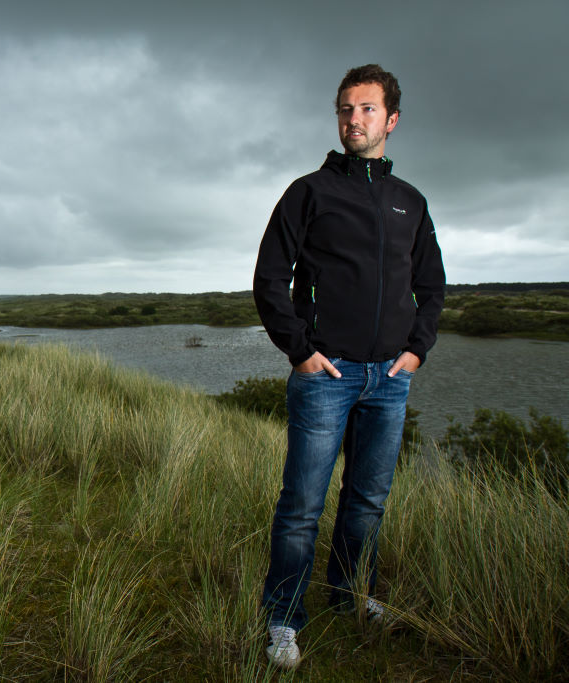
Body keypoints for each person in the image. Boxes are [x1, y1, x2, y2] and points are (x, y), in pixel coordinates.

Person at [252, 64, 446, 669]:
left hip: (390, 380)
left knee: (367, 501)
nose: (352, 119)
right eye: (345, 108)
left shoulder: (409, 202)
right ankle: (283, 618)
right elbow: (268, 280)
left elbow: (432, 286)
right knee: (302, 506)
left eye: (366, 109)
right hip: (326, 376)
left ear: (391, 120)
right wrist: (302, 352)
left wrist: (415, 351)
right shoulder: (309, 192)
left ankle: (348, 595)